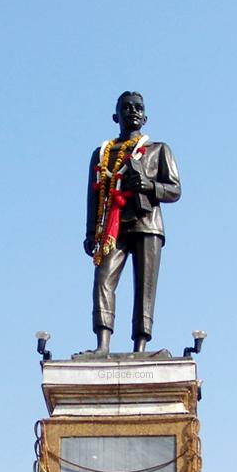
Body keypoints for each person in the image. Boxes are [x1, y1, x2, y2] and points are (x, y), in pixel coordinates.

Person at [84, 92, 181, 354]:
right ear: (116, 115)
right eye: (126, 108)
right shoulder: (103, 154)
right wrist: (91, 231)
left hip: (148, 224)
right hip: (112, 227)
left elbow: (175, 190)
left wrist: (149, 186)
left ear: (146, 117)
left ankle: (140, 346)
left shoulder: (158, 149)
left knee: (145, 287)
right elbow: (93, 195)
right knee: (103, 279)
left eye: (138, 108)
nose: (133, 111)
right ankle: (102, 345)